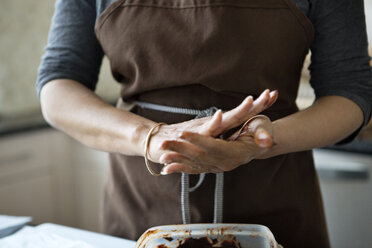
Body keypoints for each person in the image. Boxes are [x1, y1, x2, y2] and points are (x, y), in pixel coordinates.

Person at [36, 0, 372, 247]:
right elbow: (58, 85)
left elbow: (351, 91)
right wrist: (149, 136)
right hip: (141, 209)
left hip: (277, 205)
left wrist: (267, 140)